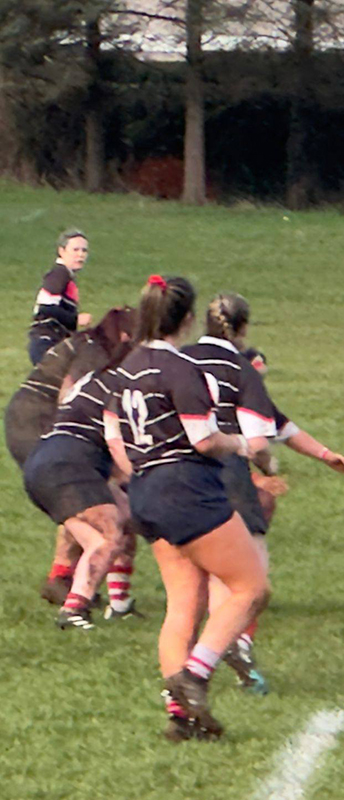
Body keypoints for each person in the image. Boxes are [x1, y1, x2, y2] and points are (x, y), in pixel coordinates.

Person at [104, 275, 270, 741]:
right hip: (187, 490)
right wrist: (243, 444)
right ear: (189, 319)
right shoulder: (180, 369)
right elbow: (203, 440)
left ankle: (181, 718)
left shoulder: (128, 364)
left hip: (146, 492)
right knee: (251, 587)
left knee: (183, 605)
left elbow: (113, 429)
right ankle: (194, 676)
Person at [182, 293, 344, 692]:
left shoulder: (180, 358)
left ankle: (186, 671)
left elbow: (278, 422)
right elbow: (261, 439)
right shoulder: (242, 369)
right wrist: (269, 467)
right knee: (248, 573)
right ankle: (235, 642)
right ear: (243, 328)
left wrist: (323, 453)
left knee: (195, 575)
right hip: (225, 472)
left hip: (173, 476)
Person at [5, 307, 137, 607]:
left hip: (28, 419)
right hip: (37, 423)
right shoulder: (95, 351)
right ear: (124, 335)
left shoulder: (89, 342)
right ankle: (63, 578)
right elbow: (69, 394)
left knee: (82, 497)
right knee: (78, 494)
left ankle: (68, 577)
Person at [28, 229, 92, 365]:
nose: (80, 254)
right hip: (47, 342)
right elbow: (46, 308)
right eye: (75, 250)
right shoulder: (59, 274)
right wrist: (76, 319)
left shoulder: (65, 275)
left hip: (54, 342)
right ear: (61, 251)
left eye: (84, 250)